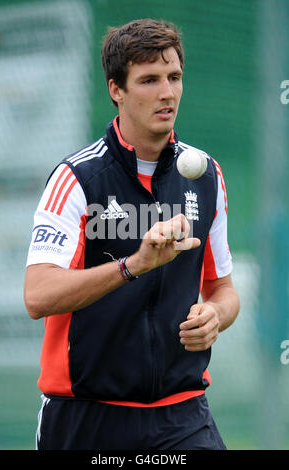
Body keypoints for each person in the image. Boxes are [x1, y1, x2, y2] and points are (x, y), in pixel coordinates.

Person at [24, 19, 240, 451]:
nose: (167, 92)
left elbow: (223, 290)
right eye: (149, 80)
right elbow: (38, 295)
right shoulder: (76, 179)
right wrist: (132, 267)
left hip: (182, 413)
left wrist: (215, 317)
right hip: (86, 416)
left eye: (174, 77)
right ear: (116, 90)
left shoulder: (206, 176)